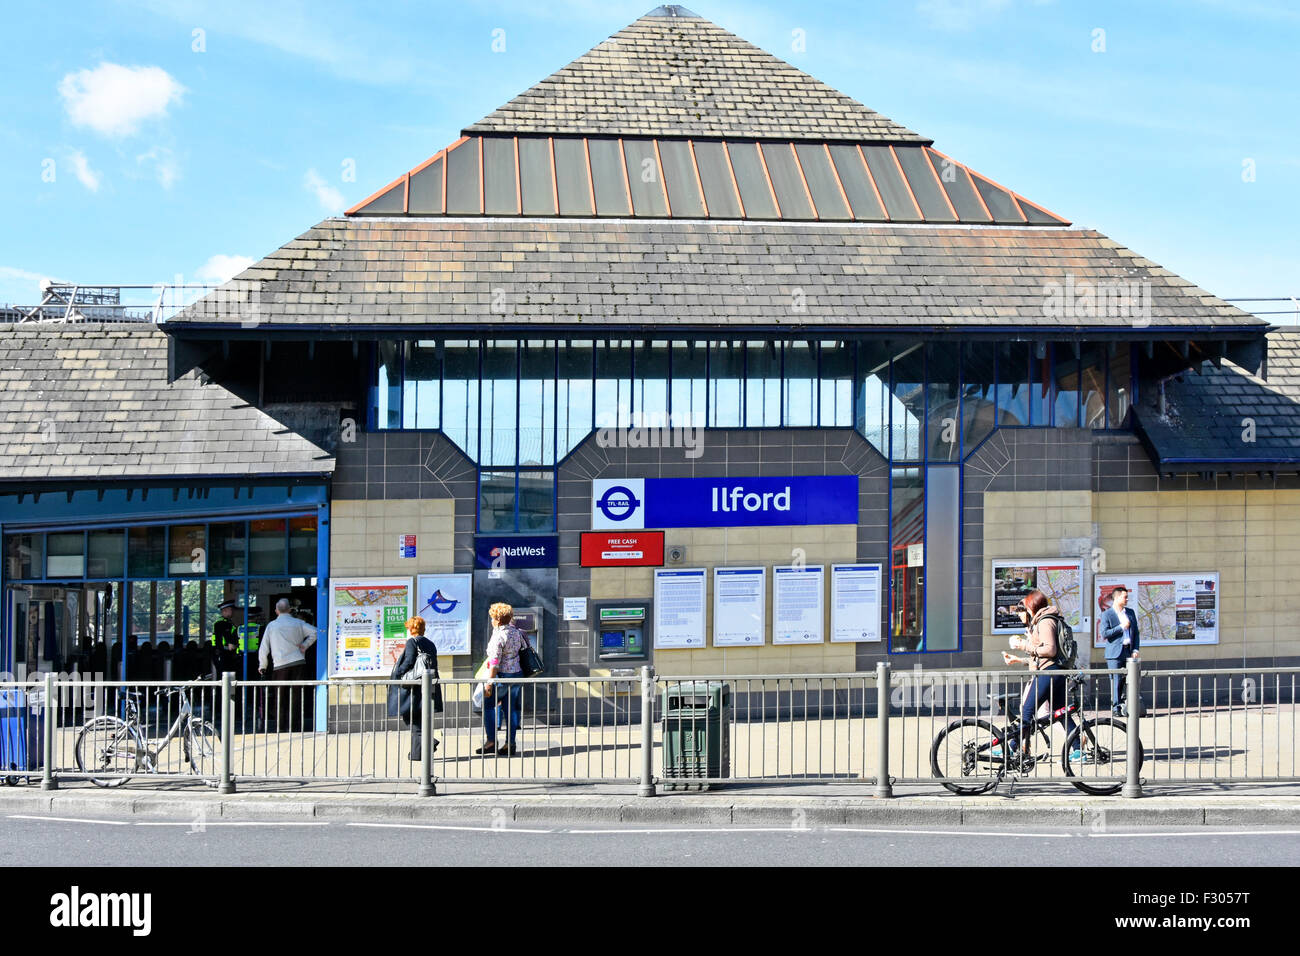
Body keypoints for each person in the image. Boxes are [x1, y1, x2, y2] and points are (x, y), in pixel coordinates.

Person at [1000, 589, 1086, 762]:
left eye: (1022, 610)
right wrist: (1020, 659)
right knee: (1060, 713)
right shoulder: (1043, 621)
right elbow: (1040, 656)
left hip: (1049, 674)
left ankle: (1011, 749)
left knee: (1027, 711)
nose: (1020, 614)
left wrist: (1024, 645)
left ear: (1032, 607)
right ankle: (1077, 749)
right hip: (1055, 672)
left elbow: (1050, 650)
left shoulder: (1045, 621)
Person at [258, 598, 318, 731]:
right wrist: (305, 645)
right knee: (296, 696)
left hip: (280, 666)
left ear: (276, 610)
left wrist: (263, 665)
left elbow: (264, 647)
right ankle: (295, 726)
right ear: (290, 610)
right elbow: (315, 632)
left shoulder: (272, 626)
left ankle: (281, 727)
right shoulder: (299, 623)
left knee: (280, 697)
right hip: (298, 663)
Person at [388, 616, 443, 760]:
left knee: (411, 720)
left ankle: (425, 746)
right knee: (419, 720)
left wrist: (398, 672)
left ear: (411, 628)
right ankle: (418, 752)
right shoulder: (430, 643)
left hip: (414, 688)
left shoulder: (412, 642)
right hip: (427, 686)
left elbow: (410, 660)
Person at [475, 603, 525, 757]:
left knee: (488, 705)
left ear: (497, 619)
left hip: (502, 676)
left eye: (492, 617)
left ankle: (491, 742)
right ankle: (510, 744)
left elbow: (495, 661)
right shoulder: (517, 632)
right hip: (517, 675)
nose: (491, 620)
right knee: (511, 710)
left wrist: (489, 683)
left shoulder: (498, 635)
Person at [1099, 584, 1141, 715]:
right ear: (1116, 598)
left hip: (1128, 651)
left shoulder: (1130, 612)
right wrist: (1121, 627)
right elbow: (1105, 633)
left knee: (1128, 680)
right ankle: (1115, 708)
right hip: (1115, 653)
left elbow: (1136, 633)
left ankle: (1127, 706)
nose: (1127, 600)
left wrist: (1135, 649)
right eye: (1125, 597)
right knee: (1116, 680)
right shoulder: (1107, 614)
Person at [212, 599, 242, 676]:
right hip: (225, 655)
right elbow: (230, 645)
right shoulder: (223, 623)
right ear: (226, 610)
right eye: (231, 610)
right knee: (226, 678)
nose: (233, 612)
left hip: (224, 654)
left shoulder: (226, 622)